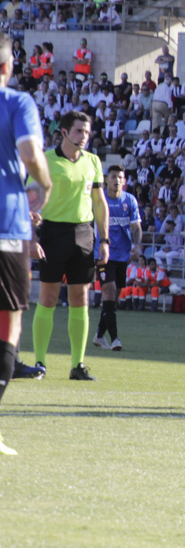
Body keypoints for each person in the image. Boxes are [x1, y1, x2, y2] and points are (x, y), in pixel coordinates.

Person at [0, 31, 53, 455]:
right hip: (6, 224)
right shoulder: (17, 102)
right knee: (10, 319)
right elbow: (30, 151)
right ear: (7, 66)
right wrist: (44, 182)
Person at [32, 111, 109, 381]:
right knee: (49, 297)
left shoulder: (93, 161)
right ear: (64, 132)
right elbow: (31, 202)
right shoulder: (45, 160)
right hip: (53, 232)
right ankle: (40, 362)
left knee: (81, 299)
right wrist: (32, 237)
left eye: (87, 132)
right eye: (79, 131)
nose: (84, 137)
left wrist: (105, 240)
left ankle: (78, 365)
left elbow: (100, 203)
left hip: (84, 234)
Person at [93, 165, 142, 352]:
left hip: (122, 256)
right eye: (113, 176)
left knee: (113, 299)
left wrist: (137, 245)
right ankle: (115, 339)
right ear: (107, 180)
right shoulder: (100, 199)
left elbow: (136, 226)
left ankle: (99, 335)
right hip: (103, 254)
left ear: (124, 181)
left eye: (120, 177)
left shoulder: (129, 201)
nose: (117, 180)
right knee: (109, 291)